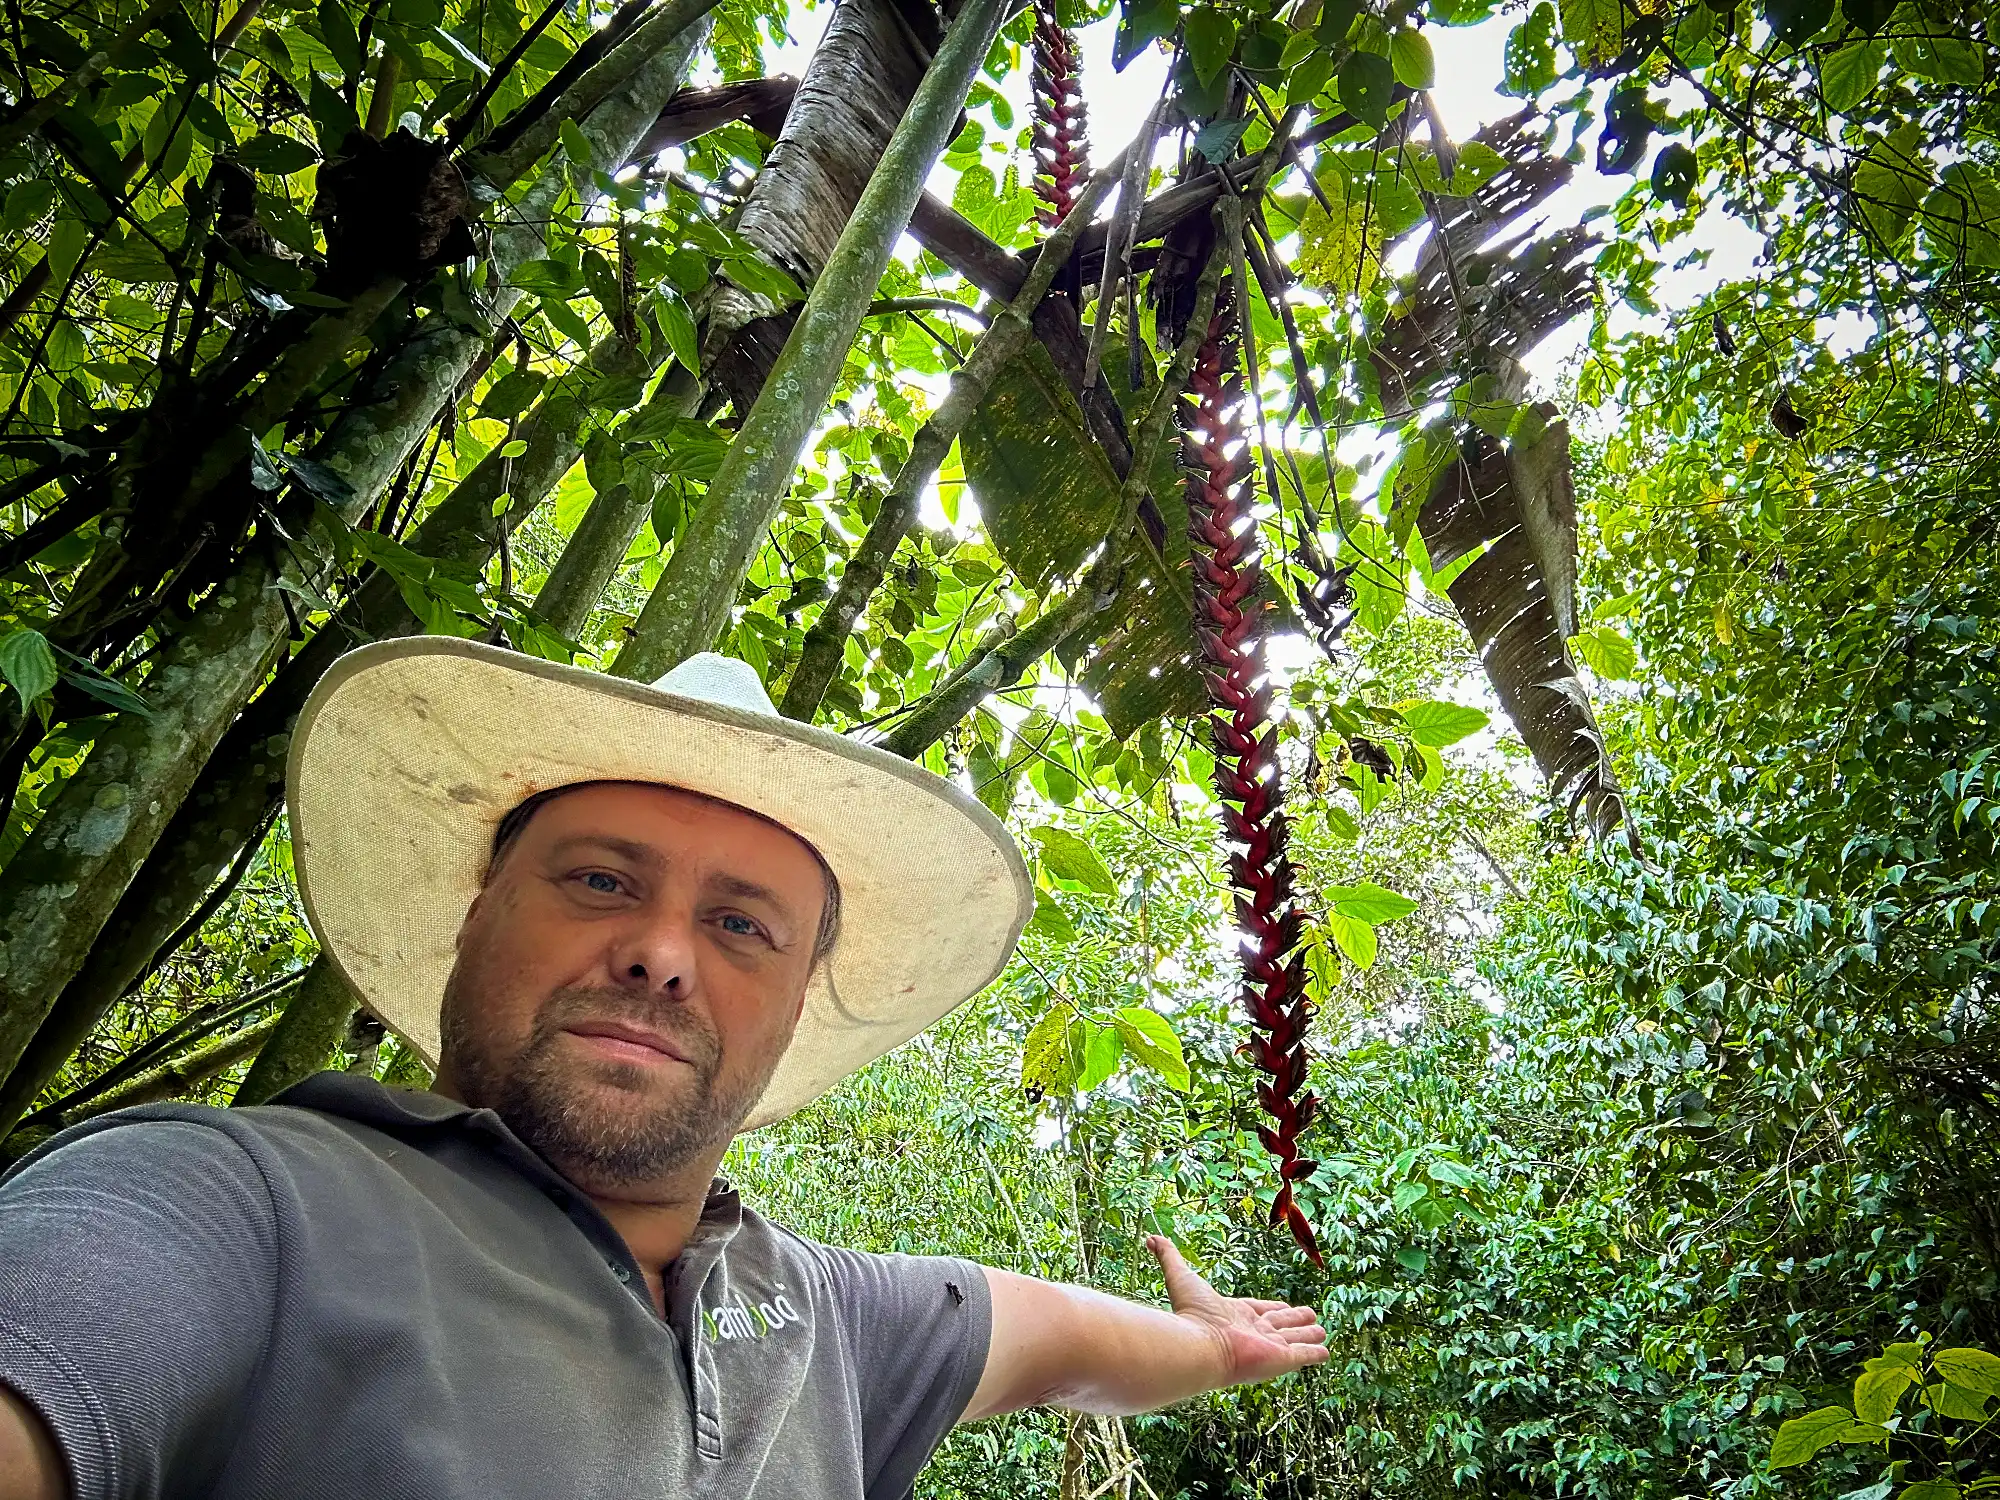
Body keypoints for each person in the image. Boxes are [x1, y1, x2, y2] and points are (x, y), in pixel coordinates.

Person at [0, 639, 1327, 1500]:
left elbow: (1058, 1335)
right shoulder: (229, 1203)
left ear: (795, 1001)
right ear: (476, 915)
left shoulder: (814, 1313)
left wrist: (1214, 1350)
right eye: (597, 880)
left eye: (741, 924)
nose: (659, 954)